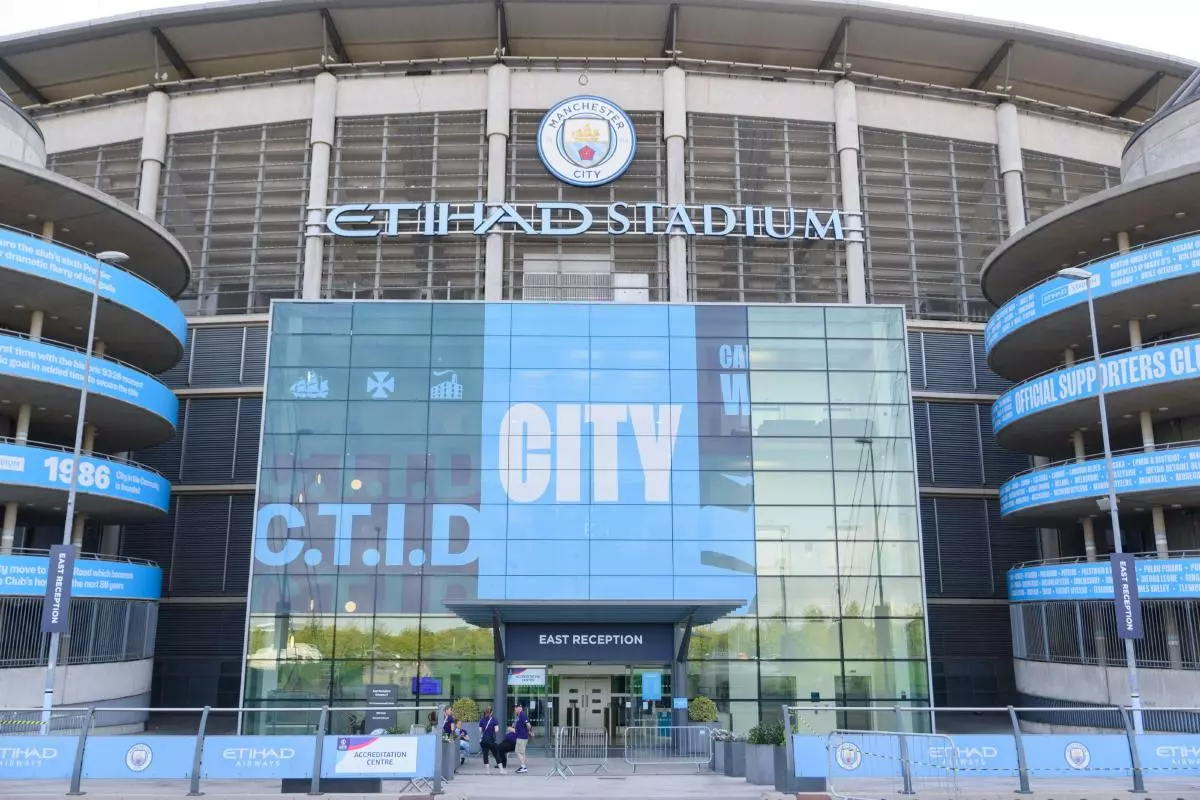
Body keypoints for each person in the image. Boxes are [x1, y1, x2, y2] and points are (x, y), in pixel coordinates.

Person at [513, 704, 531, 774]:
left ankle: (523, 767)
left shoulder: (522, 715)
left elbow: (528, 725)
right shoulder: (519, 716)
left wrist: (528, 730)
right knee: (522, 752)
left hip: (521, 737)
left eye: (515, 709)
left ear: (519, 708)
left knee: (518, 752)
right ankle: (523, 766)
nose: (515, 710)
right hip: (521, 736)